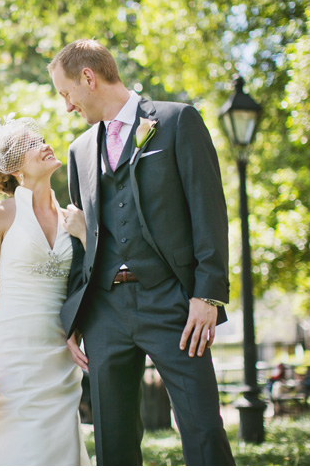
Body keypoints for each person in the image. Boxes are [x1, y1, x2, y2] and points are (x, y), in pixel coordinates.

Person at [50, 39, 236, 466]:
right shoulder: (79, 152)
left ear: (88, 78)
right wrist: (76, 316)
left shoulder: (177, 121)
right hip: (105, 312)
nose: (67, 106)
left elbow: (209, 211)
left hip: (174, 303)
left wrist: (208, 295)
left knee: (202, 428)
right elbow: (87, 244)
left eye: (66, 93)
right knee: (113, 442)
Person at [0, 115, 90, 466]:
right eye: (31, 145)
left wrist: (85, 236)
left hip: (60, 348)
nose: (44, 145)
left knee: (59, 437)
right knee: (13, 432)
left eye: (41, 139)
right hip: (13, 347)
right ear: (15, 170)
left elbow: (86, 283)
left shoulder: (74, 217)